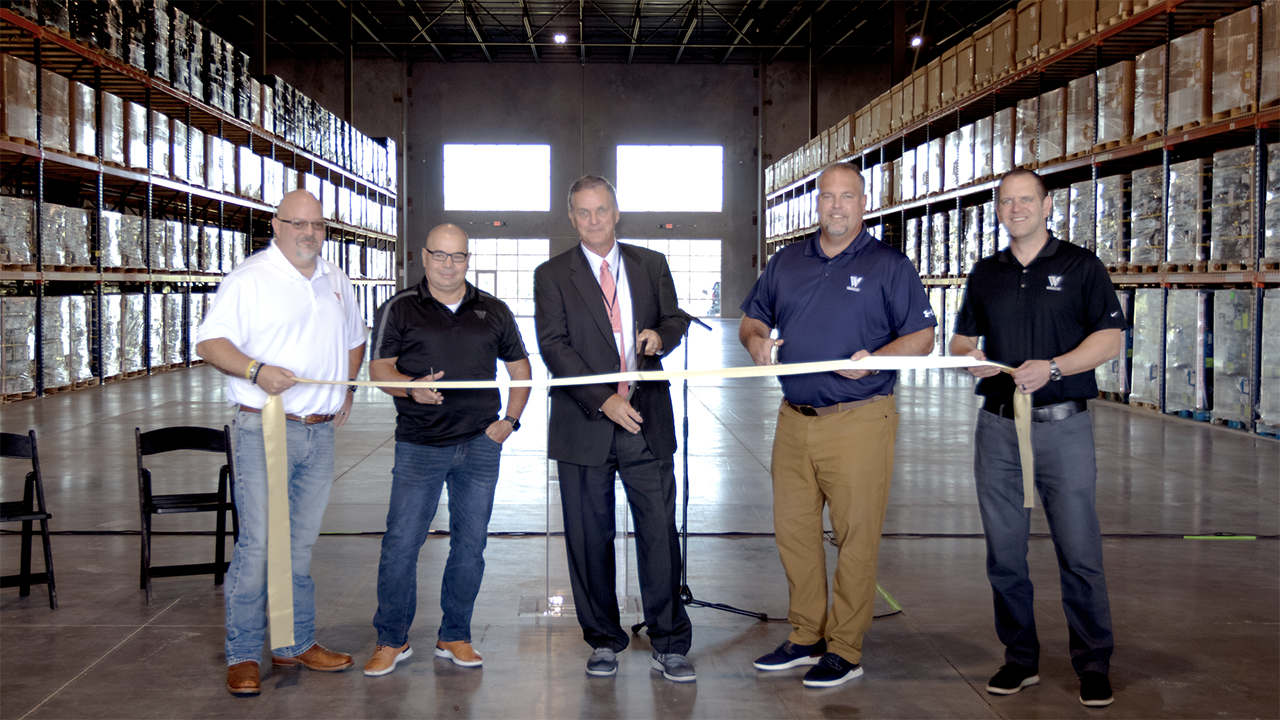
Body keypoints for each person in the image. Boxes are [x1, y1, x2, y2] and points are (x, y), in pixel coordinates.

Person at [739, 162, 935, 688]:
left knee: (855, 538)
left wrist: (878, 358)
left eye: (847, 197)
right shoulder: (787, 262)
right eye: (828, 197)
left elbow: (922, 338)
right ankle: (806, 636)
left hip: (859, 418)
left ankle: (845, 648)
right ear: (817, 203)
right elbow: (752, 317)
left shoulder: (889, 265)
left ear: (862, 203)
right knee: (795, 536)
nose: (836, 206)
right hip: (794, 420)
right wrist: (756, 340)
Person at [950, 168, 1124, 708]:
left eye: (1026, 200)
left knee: (1079, 552)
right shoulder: (986, 273)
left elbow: (1112, 338)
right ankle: (1019, 657)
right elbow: (960, 339)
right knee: (1005, 554)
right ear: (998, 209)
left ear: (1048, 205)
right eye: (1006, 201)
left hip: (1062, 429)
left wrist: (1053, 368)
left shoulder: (1080, 266)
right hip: (998, 429)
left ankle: (1093, 662)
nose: (1016, 209)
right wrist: (968, 360)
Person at [196, 189, 367, 697]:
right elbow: (209, 341)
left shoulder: (335, 278)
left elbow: (355, 339)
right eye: (298, 224)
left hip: (320, 430)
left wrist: (348, 388)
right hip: (267, 427)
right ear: (276, 225)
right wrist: (255, 369)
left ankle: (294, 642)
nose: (309, 233)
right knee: (258, 546)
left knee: (299, 546)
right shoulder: (250, 279)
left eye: (317, 224)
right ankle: (244, 654)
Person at [533, 175, 694, 682]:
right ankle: (603, 639)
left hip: (645, 420)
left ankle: (670, 642)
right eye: (584, 212)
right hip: (586, 423)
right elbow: (554, 346)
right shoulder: (552, 274)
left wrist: (660, 336)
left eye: (602, 209)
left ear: (617, 211)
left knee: (659, 533)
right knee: (587, 537)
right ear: (571, 218)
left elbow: (676, 318)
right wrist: (603, 401)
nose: (595, 219)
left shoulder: (651, 264)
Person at [362, 224, 531, 676]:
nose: (448, 264)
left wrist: (509, 422)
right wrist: (410, 388)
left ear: (468, 260)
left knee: (470, 546)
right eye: (440, 255)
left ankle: (454, 635)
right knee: (400, 545)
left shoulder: (493, 310)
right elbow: (379, 370)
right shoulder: (398, 308)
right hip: (420, 446)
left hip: (479, 445)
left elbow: (520, 368)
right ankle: (392, 640)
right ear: (424, 256)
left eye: (457, 257)